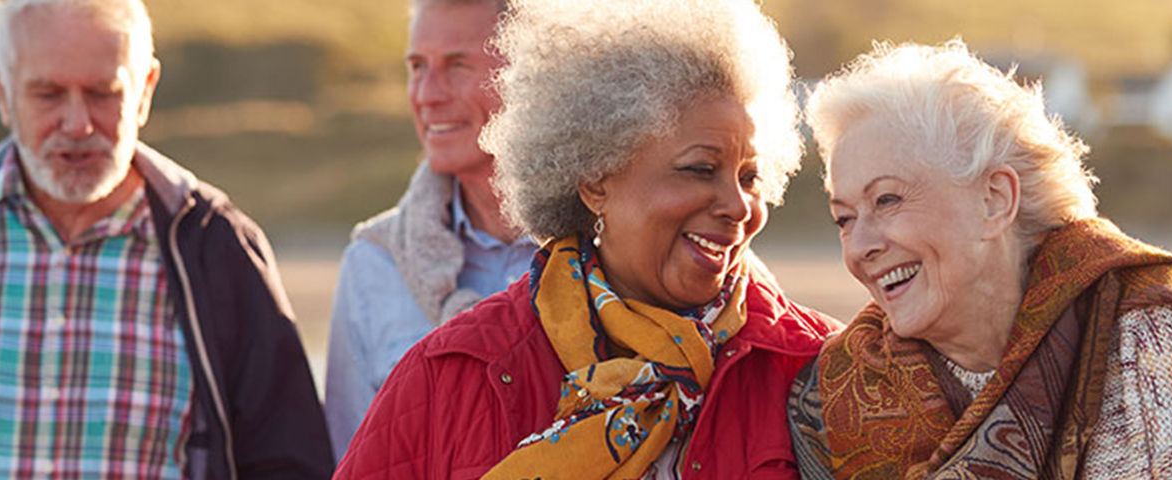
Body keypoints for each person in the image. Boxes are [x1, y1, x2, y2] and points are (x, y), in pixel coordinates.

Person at [0, 0, 332, 478]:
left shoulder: (218, 249)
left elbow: (289, 463)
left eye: (103, 93)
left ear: (144, 90)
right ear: (3, 92)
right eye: (48, 93)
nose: (77, 123)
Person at [334, 0, 841, 478]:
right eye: (700, 169)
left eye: (750, 177)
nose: (737, 205)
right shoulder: (451, 372)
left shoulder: (817, 371)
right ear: (596, 181)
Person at [787, 40, 1172, 480]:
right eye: (844, 218)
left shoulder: (1151, 343)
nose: (860, 247)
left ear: (995, 199)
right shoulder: (839, 389)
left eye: (887, 200)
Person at [323, 0, 537, 459]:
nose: (427, 94)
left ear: (532, 74)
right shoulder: (373, 265)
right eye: (417, 66)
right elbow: (353, 462)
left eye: (458, 65)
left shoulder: (616, 252)